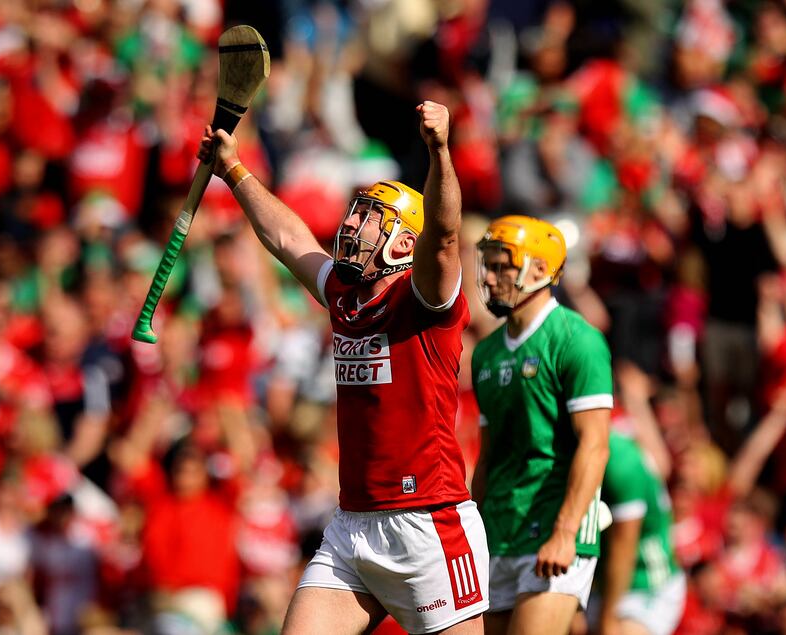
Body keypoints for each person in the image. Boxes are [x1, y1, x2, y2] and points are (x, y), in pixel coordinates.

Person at [197, 101, 488, 635]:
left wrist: (440, 151)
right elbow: (288, 239)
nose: (351, 224)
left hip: (430, 521)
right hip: (353, 522)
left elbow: (445, 234)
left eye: (368, 218)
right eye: (355, 212)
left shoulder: (423, 298)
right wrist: (234, 171)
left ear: (404, 242)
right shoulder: (343, 296)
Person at [470, 215, 613, 634]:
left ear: (539, 269)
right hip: (500, 527)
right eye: (488, 266)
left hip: (554, 524)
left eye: (502, 267)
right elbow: (489, 453)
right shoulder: (486, 354)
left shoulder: (576, 339)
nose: (491, 278)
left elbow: (595, 445)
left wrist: (566, 531)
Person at [595, 430, 685, 635]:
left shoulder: (621, 460)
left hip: (644, 583)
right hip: (596, 579)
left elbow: (624, 550)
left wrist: (607, 619)